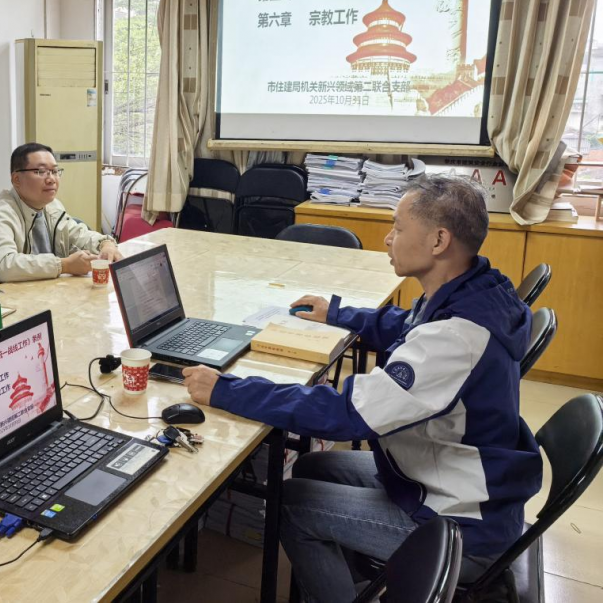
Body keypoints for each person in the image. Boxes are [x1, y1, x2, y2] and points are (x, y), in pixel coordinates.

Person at [182, 174, 542, 603]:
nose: (389, 239)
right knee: (313, 468)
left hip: (462, 521)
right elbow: (408, 328)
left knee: (291, 503)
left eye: (399, 228)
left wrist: (226, 390)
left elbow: (346, 414)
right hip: (456, 474)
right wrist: (338, 313)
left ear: (439, 240)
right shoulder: (474, 290)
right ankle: (353, 571)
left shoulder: (458, 336)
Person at [0, 142, 122, 282]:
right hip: (10, 299)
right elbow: (4, 265)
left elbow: (78, 234)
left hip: (46, 292)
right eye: (41, 172)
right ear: (16, 179)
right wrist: (64, 265)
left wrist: (105, 244)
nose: (51, 179)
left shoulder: (52, 205)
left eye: (54, 171)